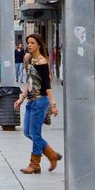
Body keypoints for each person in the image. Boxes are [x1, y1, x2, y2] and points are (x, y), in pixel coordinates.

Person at [13, 33, 61, 173]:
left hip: (40, 101)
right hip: (30, 101)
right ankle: (52, 155)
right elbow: (29, 82)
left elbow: (47, 85)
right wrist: (21, 98)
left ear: (39, 45)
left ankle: (35, 164)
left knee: (35, 133)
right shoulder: (31, 60)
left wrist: (53, 104)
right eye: (28, 42)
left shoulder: (42, 62)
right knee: (28, 132)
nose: (29, 45)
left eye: (32, 43)